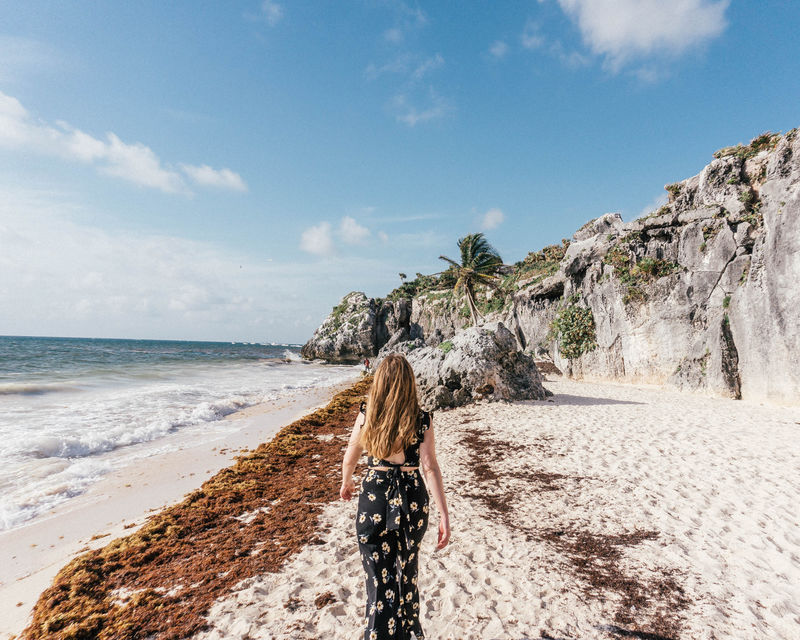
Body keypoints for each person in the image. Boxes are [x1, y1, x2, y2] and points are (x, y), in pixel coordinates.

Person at [340, 353, 450, 640]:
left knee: (378, 583)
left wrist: (346, 482)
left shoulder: (368, 414)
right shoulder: (422, 419)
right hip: (412, 499)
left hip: (375, 497)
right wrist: (444, 514)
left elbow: (351, 454)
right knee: (407, 575)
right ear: (409, 384)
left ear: (379, 383)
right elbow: (430, 467)